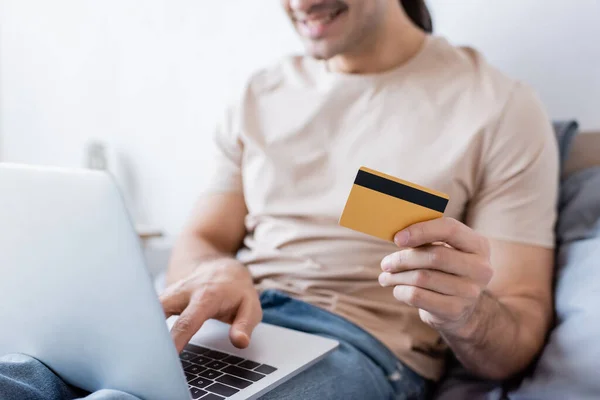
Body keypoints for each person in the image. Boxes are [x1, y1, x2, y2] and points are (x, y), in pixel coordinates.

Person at [0, 0, 558, 399]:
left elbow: (517, 336)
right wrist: (218, 272)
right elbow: (203, 238)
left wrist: (464, 312)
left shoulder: (499, 106)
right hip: (229, 320)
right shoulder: (259, 93)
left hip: (359, 346)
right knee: (19, 375)